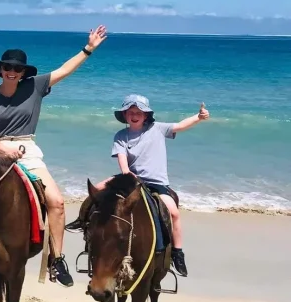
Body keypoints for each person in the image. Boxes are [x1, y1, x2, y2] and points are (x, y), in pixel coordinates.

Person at [0, 26, 109, 288]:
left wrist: (88, 48)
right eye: (7, 68)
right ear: (0, 70)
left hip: (27, 150)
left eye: (17, 69)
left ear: (23, 72)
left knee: (57, 202)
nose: (12, 72)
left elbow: (64, 70)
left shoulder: (35, 87)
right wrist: (3, 150)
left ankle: (57, 259)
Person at [66, 95, 209, 277]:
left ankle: (177, 253)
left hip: (156, 183)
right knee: (96, 190)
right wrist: (126, 172)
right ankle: (82, 220)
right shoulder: (121, 136)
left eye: (138, 112)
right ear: (125, 114)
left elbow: (180, 126)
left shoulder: (157, 129)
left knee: (173, 213)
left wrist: (198, 117)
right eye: (131, 112)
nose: (134, 115)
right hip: (130, 178)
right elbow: (122, 157)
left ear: (146, 114)